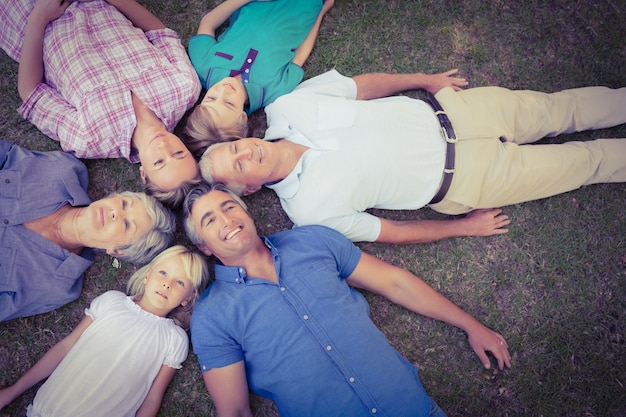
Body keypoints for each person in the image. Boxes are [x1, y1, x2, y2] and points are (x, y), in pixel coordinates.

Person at [182, 182, 511, 416]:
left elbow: (394, 283)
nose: (226, 220)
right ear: (204, 247)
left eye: (229, 207)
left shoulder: (312, 241)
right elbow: (235, 410)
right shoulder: (212, 316)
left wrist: (470, 324)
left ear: (247, 213)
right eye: (209, 220)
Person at [199, 68, 626, 244]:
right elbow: (392, 232)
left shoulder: (287, 107)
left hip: (461, 111)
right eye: (239, 165)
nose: (246, 151)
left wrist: (426, 79)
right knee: (583, 164)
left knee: (563, 109)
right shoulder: (309, 212)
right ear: (250, 189)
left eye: (234, 147)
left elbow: (360, 87)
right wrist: (462, 228)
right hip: (468, 180)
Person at [0, 0, 203, 207]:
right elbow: (162, 35)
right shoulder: (184, 88)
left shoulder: (90, 138)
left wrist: (39, 16)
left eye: (159, 162)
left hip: (28, 15)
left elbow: (32, 93)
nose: (163, 147)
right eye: (179, 153)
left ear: (143, 173)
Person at [0, 245, 209, 417]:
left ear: (187, 299)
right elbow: (66, 346)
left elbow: (154, 395)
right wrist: (12, 392)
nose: (167, 283)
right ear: (147, 275)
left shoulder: (175, 340)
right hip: (52, 407)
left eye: (180, 282)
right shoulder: (112, 301)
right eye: (163, 272)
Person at [0, 140, 176, 322]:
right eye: (124, 203)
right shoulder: (62, 171)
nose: (115, 212)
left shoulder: (56, 286)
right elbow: (6, 154)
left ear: (117, 250)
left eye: (127, 225)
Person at [183, 0, 334, 156]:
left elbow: (207, 23)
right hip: (305, 7)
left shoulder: (203, 64)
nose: (222, 92)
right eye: (229, 103)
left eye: (211, 99)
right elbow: (301, 52)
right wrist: (321, 12)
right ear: (242, 118)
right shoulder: (275, 90)